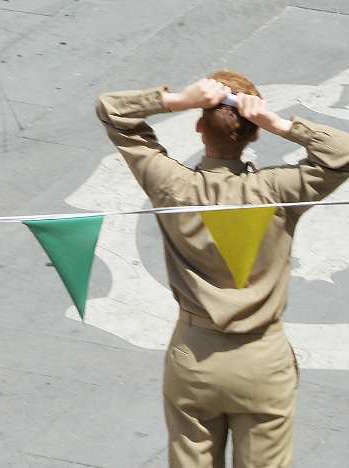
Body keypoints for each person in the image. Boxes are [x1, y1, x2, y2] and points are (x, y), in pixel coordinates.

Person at [96, 72, 349, 467]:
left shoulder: (172, 185)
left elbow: (112, 111)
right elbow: (343, 154)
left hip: (194, 355)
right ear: (255, 134)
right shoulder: (277, 190)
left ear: (198, 127)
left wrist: (176, 100)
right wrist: (281, 124)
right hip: (263, 358)